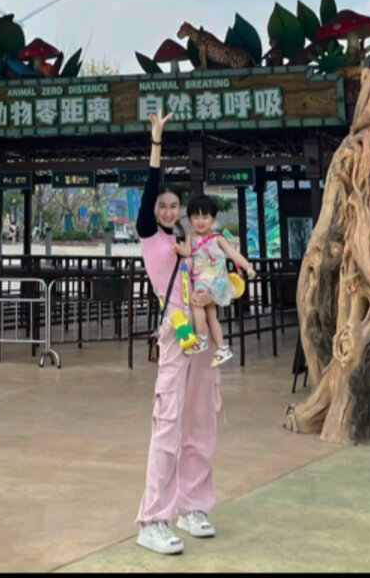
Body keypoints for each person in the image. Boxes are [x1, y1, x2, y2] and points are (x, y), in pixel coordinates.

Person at [134, 112, 219, 556]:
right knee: (168, 423)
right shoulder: (151, 236)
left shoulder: (186, 238)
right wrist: (157, 141)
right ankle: (153, 518)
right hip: (176, 330)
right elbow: (152, 185)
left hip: (201, 330)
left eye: (173, 206)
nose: (167, 210)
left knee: (200, 420)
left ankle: (193, 506)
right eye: (162, 205)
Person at [175, 196, 254, 368]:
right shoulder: (190, 235)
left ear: (213, 219)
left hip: (215, 280)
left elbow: (233, 254)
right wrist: (180, 249)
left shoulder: (217, 238)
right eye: (196, 217)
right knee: (211, 316)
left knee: (196, 303)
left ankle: (201, 338)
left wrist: (247, 266)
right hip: (202, 280)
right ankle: (221, 348)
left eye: (205, 217)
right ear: (189, 220)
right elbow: (188, 252)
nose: (200, 221)